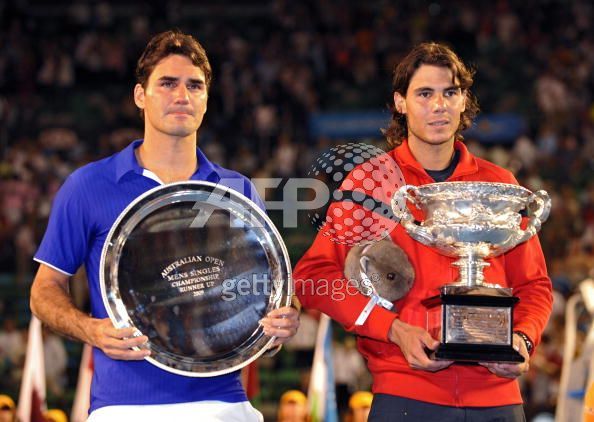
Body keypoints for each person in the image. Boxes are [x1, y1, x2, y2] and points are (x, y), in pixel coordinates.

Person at [30, 30, 299, 421]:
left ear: (206, 100)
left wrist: (279, 325)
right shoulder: (88, 186)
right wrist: (92, 331)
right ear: (141, 95)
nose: (181, 96)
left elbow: (268, 296)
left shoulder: (237, 190)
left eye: (194, 85)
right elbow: (43, 291)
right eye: (167, 83)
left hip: (224, 404)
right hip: (124, 407)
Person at [293, 42, 552, 421]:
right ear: (401, 102)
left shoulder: (498, 184)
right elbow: (314, 277)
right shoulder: (370, 184)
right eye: (424, 94)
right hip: (407, 392)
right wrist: (393, 329)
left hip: (497, 397)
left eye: (450, 93)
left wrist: (523, 339)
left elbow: (534, 285)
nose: (439, 105)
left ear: (464, 101)